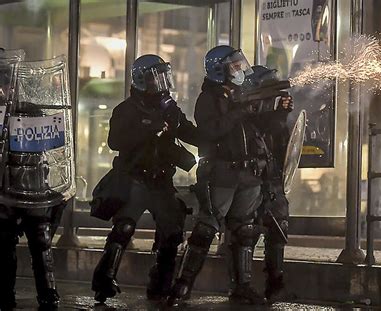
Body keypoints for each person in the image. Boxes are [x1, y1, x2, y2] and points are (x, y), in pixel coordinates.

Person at [91, 54, 199, 303]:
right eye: (155, 78)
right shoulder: (126, 109)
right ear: (141, 80)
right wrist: (150, 128)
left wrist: (214, 138)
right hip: (134, 178)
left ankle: (160, 284)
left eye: (163, 77)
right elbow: (115, 141)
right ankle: (104, 280)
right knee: (124, 228)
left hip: (161, 181)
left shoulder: (169, 107)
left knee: (172, 232)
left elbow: (190, 132)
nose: (161, 83)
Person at [168, 45, 269, 305]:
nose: (239, 69)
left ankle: (242, 285)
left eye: (240, 64)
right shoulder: (209, 98)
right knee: (207, 228)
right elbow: (211, 130)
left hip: (249, 173)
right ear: (218, 71)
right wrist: (240, 111)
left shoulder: (243, 93)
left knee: (244, 230)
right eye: (233, 66)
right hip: (222, 172)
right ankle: (183, 285)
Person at [0, 51, 73, 309]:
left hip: (28, 189)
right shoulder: (31, 111)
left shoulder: (31, 111)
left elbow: (50, 152)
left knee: (39, 244)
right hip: (13, 191)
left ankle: (46, 294)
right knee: (12, 245)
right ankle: (13, 296)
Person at [227, 65, 294, 303]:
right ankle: (241, 286)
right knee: (246, 229)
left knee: (279, 225)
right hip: (250, 177)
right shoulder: (243, 115)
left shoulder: (272, 114)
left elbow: (281, 143)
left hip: (272, 176)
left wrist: (282, 116)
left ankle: (276, 284)